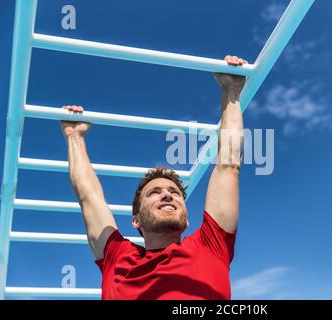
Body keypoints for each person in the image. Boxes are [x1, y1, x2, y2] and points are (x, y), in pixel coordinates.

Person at [59, 55, 247, 300]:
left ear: (187, 220)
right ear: (136, 220)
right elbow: (88, 196)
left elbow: (229, 164)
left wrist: (231, 91)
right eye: (154, 192)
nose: (167, 194)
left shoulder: (210, 245)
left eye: (175, 193)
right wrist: (74, 137)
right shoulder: (117, 256)